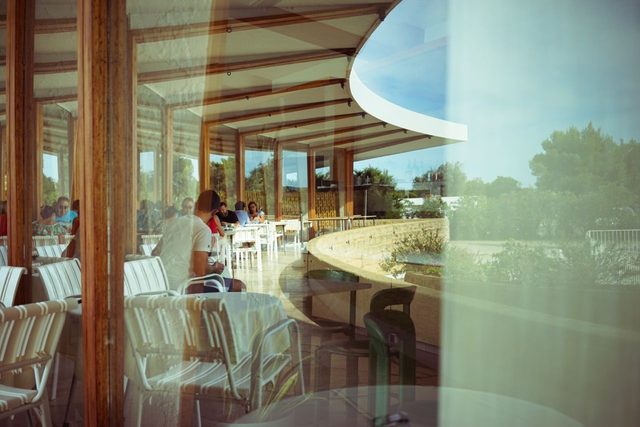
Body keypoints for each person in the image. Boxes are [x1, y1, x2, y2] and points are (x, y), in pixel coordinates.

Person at [153, 190, 244, 292]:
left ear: (196, 205)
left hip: (163, 284)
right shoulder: (203, 230)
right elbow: (200, 271)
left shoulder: (175, 223)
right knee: (240, 286)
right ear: (214, 212)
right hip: (183, 287)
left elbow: (155, 252)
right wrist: (215, 267)